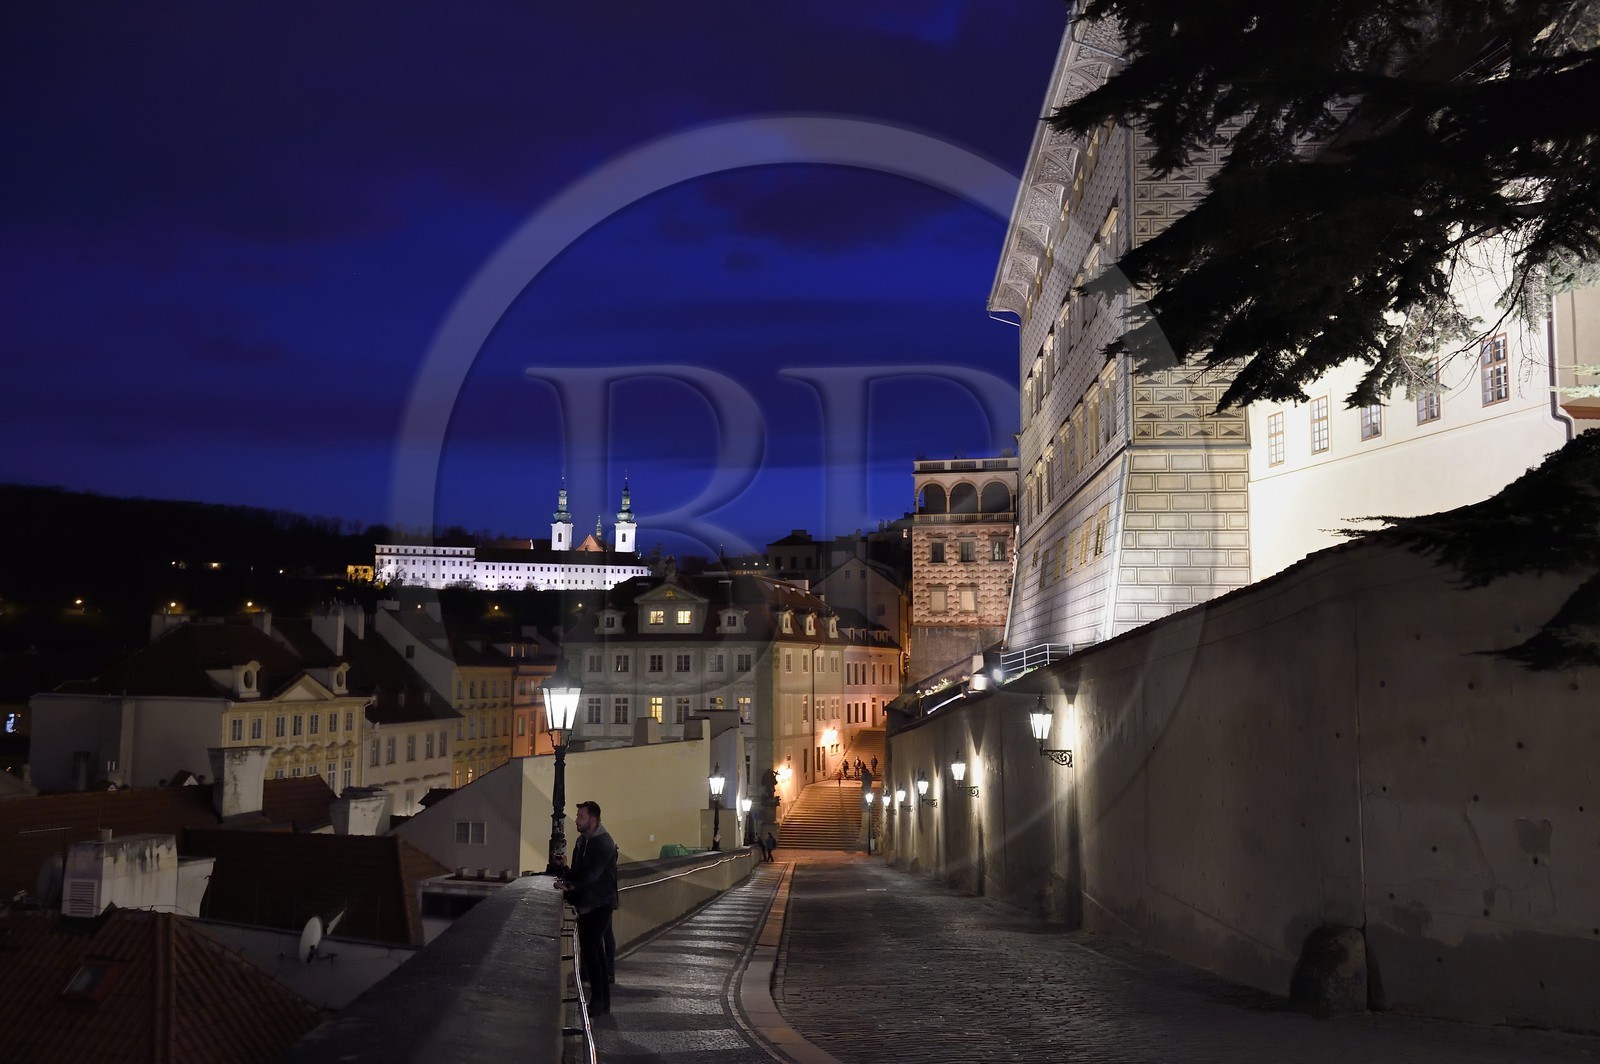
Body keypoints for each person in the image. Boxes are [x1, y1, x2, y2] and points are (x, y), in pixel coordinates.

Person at [558, 801, 617, 1014]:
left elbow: (591, 875)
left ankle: (599, 1001)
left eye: (581, 816)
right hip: (590, 903)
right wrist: (566, 872)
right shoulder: (583, 840)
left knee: (591, 952)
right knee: (595, 952)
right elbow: (580, 870)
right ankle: (602, 1001)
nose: (577, 819)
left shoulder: (603, 843)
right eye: (577, 815)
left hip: (599, 903)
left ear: (593, 820)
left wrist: (570, 886)